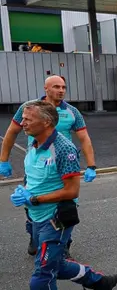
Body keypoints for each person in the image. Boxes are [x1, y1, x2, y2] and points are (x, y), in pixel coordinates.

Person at [7, 100, 117, 290]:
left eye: (28, 119)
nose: (23, 123)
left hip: (56, 220)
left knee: (40, 279)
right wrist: (24, 191)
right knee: (56, 266)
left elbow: (72, 191)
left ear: (46, 122)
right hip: (35, 217)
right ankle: (100, 283)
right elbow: (34, 177)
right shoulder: (33, 144)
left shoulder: (64, 149)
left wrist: (34, 198)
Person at [0, 75, 97, 258]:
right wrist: (3, 160)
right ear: (46, 89)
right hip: (36, 167)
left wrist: (91, 165)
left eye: (63, 87)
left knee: (66, 204)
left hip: (62, 165)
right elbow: (11, 132)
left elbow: (84, 138)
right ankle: (34, 235)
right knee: (30, 204)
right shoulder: (29, 108)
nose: (61, 90)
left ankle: (63, 243)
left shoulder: (72, 112)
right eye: (56, 87)